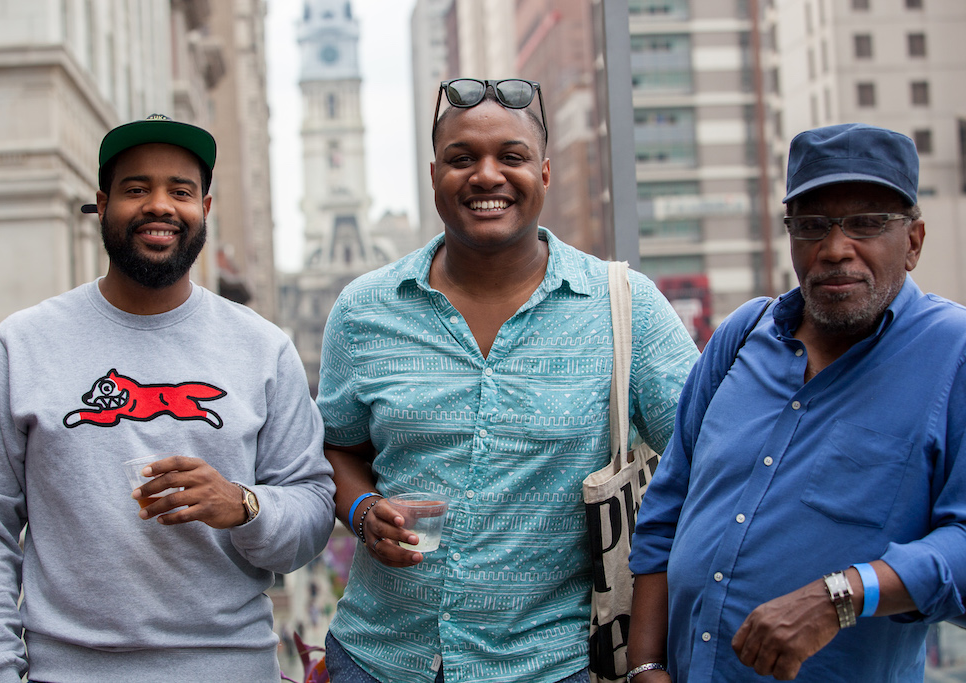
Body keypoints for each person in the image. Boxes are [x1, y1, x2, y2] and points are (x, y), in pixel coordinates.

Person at [316, 78, 699, 683]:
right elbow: (337, 445)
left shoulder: (626, 306)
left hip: (553, 663)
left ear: (543, 173)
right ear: (435, 173)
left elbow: (704, 462)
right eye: (462, 159)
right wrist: (364, 509)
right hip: (380, 659)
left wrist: (651, 652)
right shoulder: (365, 309)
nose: (486, 176)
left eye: (511, 157)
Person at [0, 114, 336, 682]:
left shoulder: (261, 348)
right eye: (136, 189)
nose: (159, 205)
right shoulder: (21, 344)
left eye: (179, 191)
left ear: (204, 209)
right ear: (102, 205)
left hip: (230, 669)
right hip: (65, 671)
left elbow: (310, 516)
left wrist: (244, 505)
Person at [627, 123, 966, 682]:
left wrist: (842, 595)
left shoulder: (951, 356)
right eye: (811, 226)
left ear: (913, 241)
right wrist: (644, 665)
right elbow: (668, 508)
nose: (834, 249)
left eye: (866, 223)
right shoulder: (742, 334)